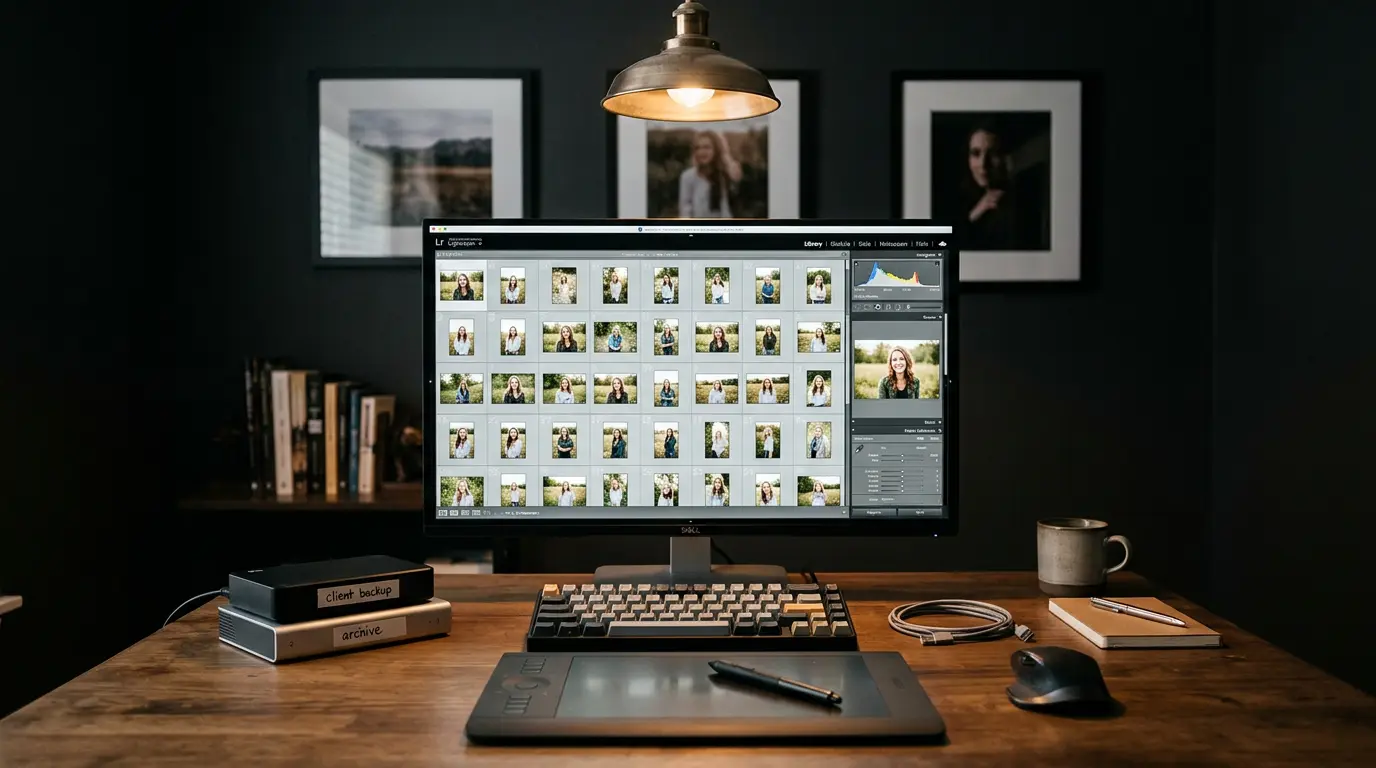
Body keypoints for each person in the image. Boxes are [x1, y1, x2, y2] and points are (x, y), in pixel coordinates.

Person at [678, 129, 740, 218]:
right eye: (698, 148)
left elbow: (726, 210)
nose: (701, 152)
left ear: (716, 150)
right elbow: (685, 211)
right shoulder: (688, 177)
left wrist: (725, 157)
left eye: (706, 147)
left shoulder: (722, 175)